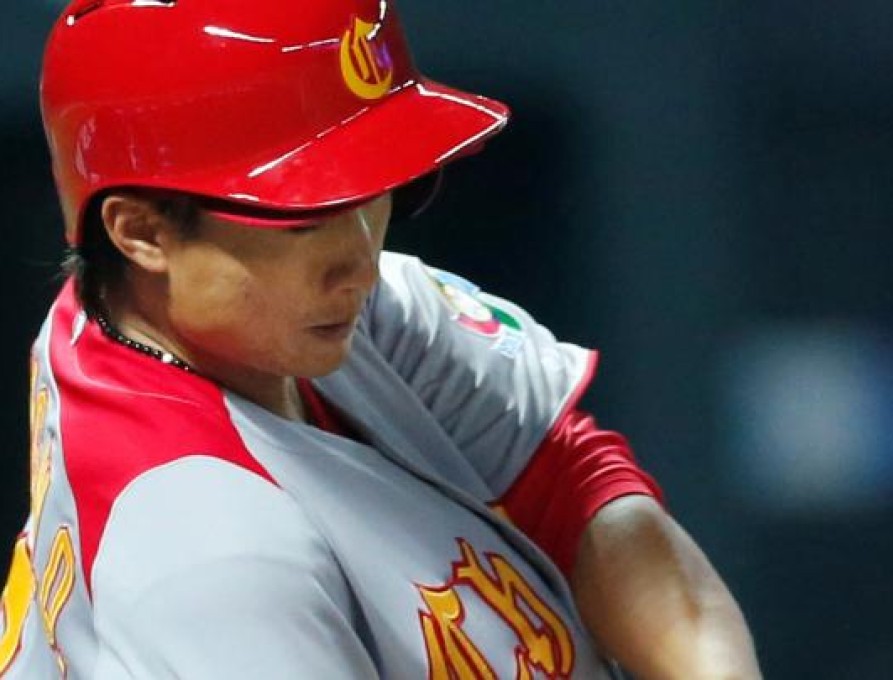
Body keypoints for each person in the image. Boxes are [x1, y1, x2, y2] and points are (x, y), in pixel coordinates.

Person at [0, 0, 762, 678]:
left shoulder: (279, 316)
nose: (363, 263)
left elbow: (570, 480)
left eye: (374, 193)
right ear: (141, 232)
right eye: (305, 214)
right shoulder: (208, 551)